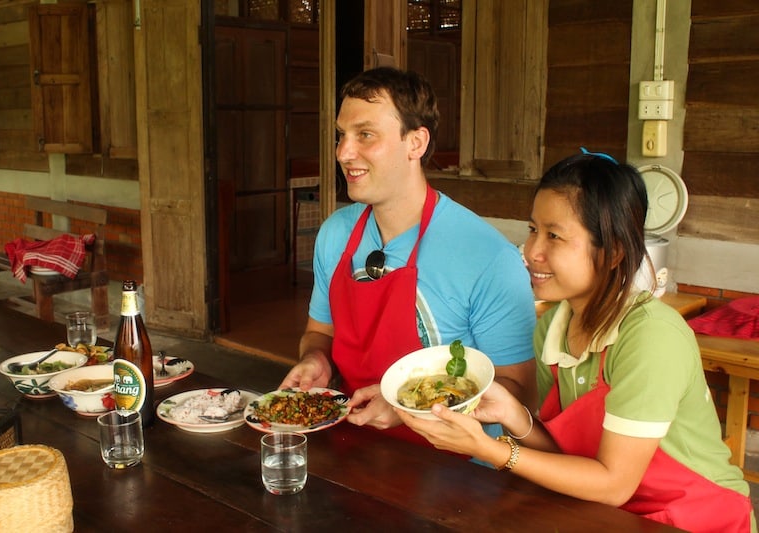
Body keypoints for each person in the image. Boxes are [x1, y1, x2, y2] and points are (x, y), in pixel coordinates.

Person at [397, 150, 755, 531]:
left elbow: (614, 483)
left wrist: (490, 449)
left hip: (695, 517)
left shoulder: (650, 337)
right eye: (533, 229)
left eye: (555, 236)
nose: (532, 251)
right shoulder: (553, 327)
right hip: (610, 513)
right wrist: (512, 415)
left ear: (613, 252)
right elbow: (565, 456)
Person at [279, 67, 537, 444]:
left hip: (456, 470)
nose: (343, 152)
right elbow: (320, 334)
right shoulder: (335, 234)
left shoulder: (488, 256)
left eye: (365, 135)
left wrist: (407, 407)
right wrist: (316, 359)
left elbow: (519, 391)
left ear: (415, 143)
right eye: (341, 136)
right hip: (353, 442)